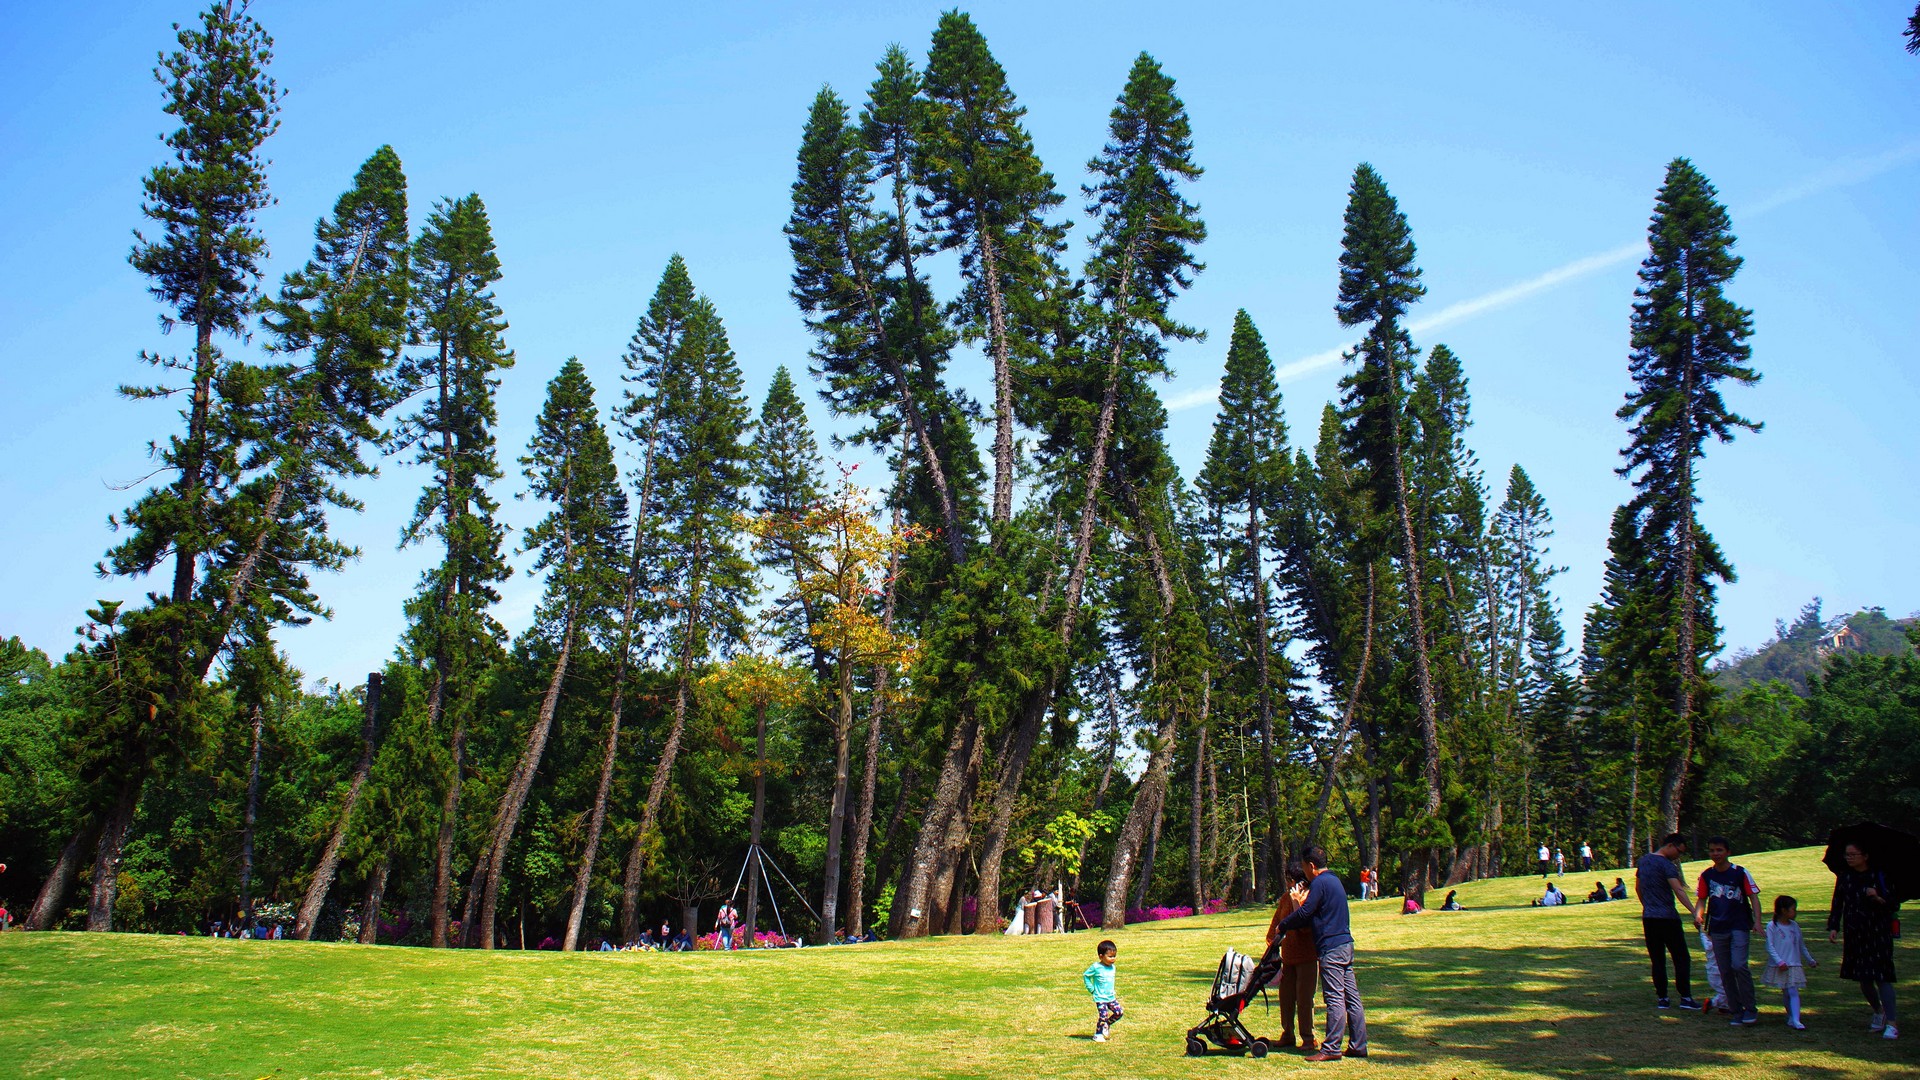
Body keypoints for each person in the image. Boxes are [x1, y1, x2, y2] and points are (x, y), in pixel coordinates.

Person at [1273, 844, 1367, 1062]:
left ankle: (1332, 1048)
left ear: (1312, 866)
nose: (1304, 873)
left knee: (1334, 997)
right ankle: (1358, 1045)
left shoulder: (1320, 883)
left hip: (1331, 948)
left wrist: (1283, 925)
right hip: (1345, 944)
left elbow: (1305, 913)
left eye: (1305, 867)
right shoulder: (1334, 881)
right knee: (1351, 998)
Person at [1828, 841, 1900, 1040]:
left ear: (1865, 855)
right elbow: (1837, 902)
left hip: (1877, 933)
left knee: (1882, 976)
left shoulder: (1879, 875)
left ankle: (1892, 1023)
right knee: (1863, 978)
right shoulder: (1845, 877)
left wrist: (1877, 897)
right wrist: (1834, 926)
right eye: (1847, 855)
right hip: (1855, 933)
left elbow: (1894, 903)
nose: (1849, 858)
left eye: (1853, 854)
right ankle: (1878, 1010)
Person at [1695, 836, 1762, 1026]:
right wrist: (1698, 915)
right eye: (1712, 850)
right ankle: (1736, 1010)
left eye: (1719, 850)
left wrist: (1757, 921)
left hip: (1739, 925)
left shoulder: (1740, 873)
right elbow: (1702, 899)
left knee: (1739, 965)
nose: (1715, 854)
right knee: (1724, 970)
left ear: (1728, 852)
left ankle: (1750, 1008)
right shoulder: (1707, 875)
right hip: (1717, 928)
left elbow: (1753, 898)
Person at [1635, 832, 1702, 1010]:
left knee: (1657, 959)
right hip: (1668, 918)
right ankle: (1686, 997)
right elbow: (1678, 890)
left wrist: (1647, 905)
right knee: (1681, 957)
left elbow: (1638, 887)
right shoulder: (1667, 865)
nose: (1678, 856)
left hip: (1649, 918)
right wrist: (1695, 912)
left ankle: (1662, 998)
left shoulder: (1643, 861)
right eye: (1678, 852)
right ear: (1671, 845)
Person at [1265, 864, 1319, 1052]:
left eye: (1290, 879)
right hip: (1288, 957)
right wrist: (1271, 941)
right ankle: (1287, 1034)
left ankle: (1308, 1038)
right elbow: (1277, 921)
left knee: (1304, 999)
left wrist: (1298, 901)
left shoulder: (1310, 899)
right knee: (1286, 998)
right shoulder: (1285, 898)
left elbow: (1305, 926)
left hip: (1307, 957)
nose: (1288, 883)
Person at [1764, 894, 1817, 1030]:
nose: (1795, 912)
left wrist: (1810, 960)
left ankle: (1796, 1019)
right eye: (1793, 909)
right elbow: (1770, 946)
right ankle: (1791, 1017)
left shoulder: (1794, 926)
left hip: (1793, 964)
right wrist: (1779, 961)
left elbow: (1801, 945)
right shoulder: (1772, 926)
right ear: (1783, 910)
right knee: (1787, 992)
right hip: (1782, 965)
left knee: (1793, 990)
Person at [1083, 940, 1123, 1043]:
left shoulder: (1113, 967)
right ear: (1101, 956)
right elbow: (1086, 976)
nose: (1113, 959)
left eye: (1114, 956)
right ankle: (1098, 1034)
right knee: (1103, 1015)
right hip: (1100, 998)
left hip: (1111, 997)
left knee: (1119, 1012)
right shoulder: (1096, 967)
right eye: (1110, 956)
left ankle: (1107, 1024)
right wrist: (1091, 989)